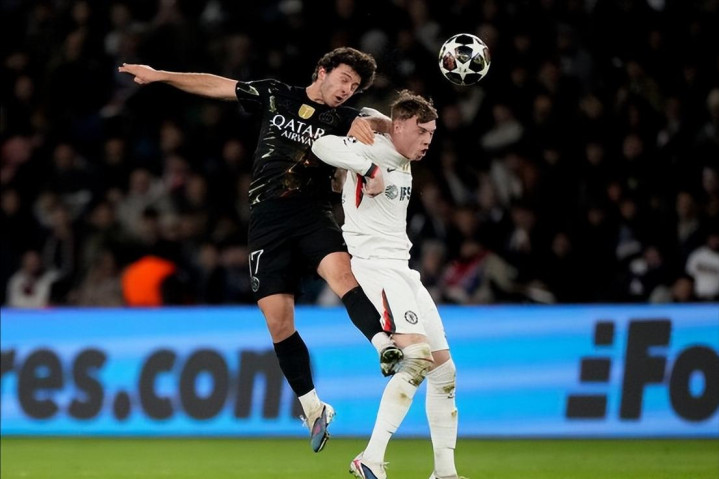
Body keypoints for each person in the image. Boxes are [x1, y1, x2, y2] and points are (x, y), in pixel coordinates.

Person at [118, 47, 403, 453]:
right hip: (268, 220)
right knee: (277, 320)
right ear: (322, 71)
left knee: (341, 276)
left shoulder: (346, 118)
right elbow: (216, 85)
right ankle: (314, 408)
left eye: (354, 87)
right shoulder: (276, 95)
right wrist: (161, 74)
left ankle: (383, 345)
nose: (346, 90)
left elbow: (392, 127)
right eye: (343, 79)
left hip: (313, 213)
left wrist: (372, 119)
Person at [312, 90, 462, 479]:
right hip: (374, 267)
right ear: (401, 127)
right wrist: (368, 169)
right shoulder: (373, 148)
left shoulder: (399, 148)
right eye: (422, 131)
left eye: (432, 133)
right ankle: (370, 458)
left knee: (444, 373)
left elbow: (376, 118)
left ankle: (444, 472)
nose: (427, 140)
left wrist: (378, 121)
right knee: (417, 358)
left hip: (403, 269)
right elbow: (322, 144)